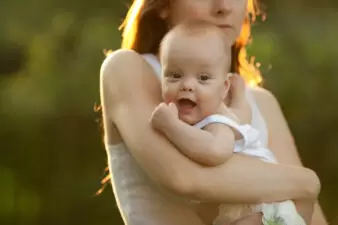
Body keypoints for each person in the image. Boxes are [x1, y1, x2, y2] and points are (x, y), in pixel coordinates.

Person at [99, 0, 327, 224]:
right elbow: (186, 178)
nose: (224, 7)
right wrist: (305, 182)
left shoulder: (261, 102)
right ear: (164, 5)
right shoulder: (128, 69)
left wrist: (302, 186)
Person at [151, 19, 307, 225]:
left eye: (203, 78)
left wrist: (171, 126)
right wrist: (240, 96)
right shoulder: (228, 116)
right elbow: (243, 118)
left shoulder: (218, 122)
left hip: (264, 208)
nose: (187, 85)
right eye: (174, 75)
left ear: (224, 88)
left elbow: (216, 151)